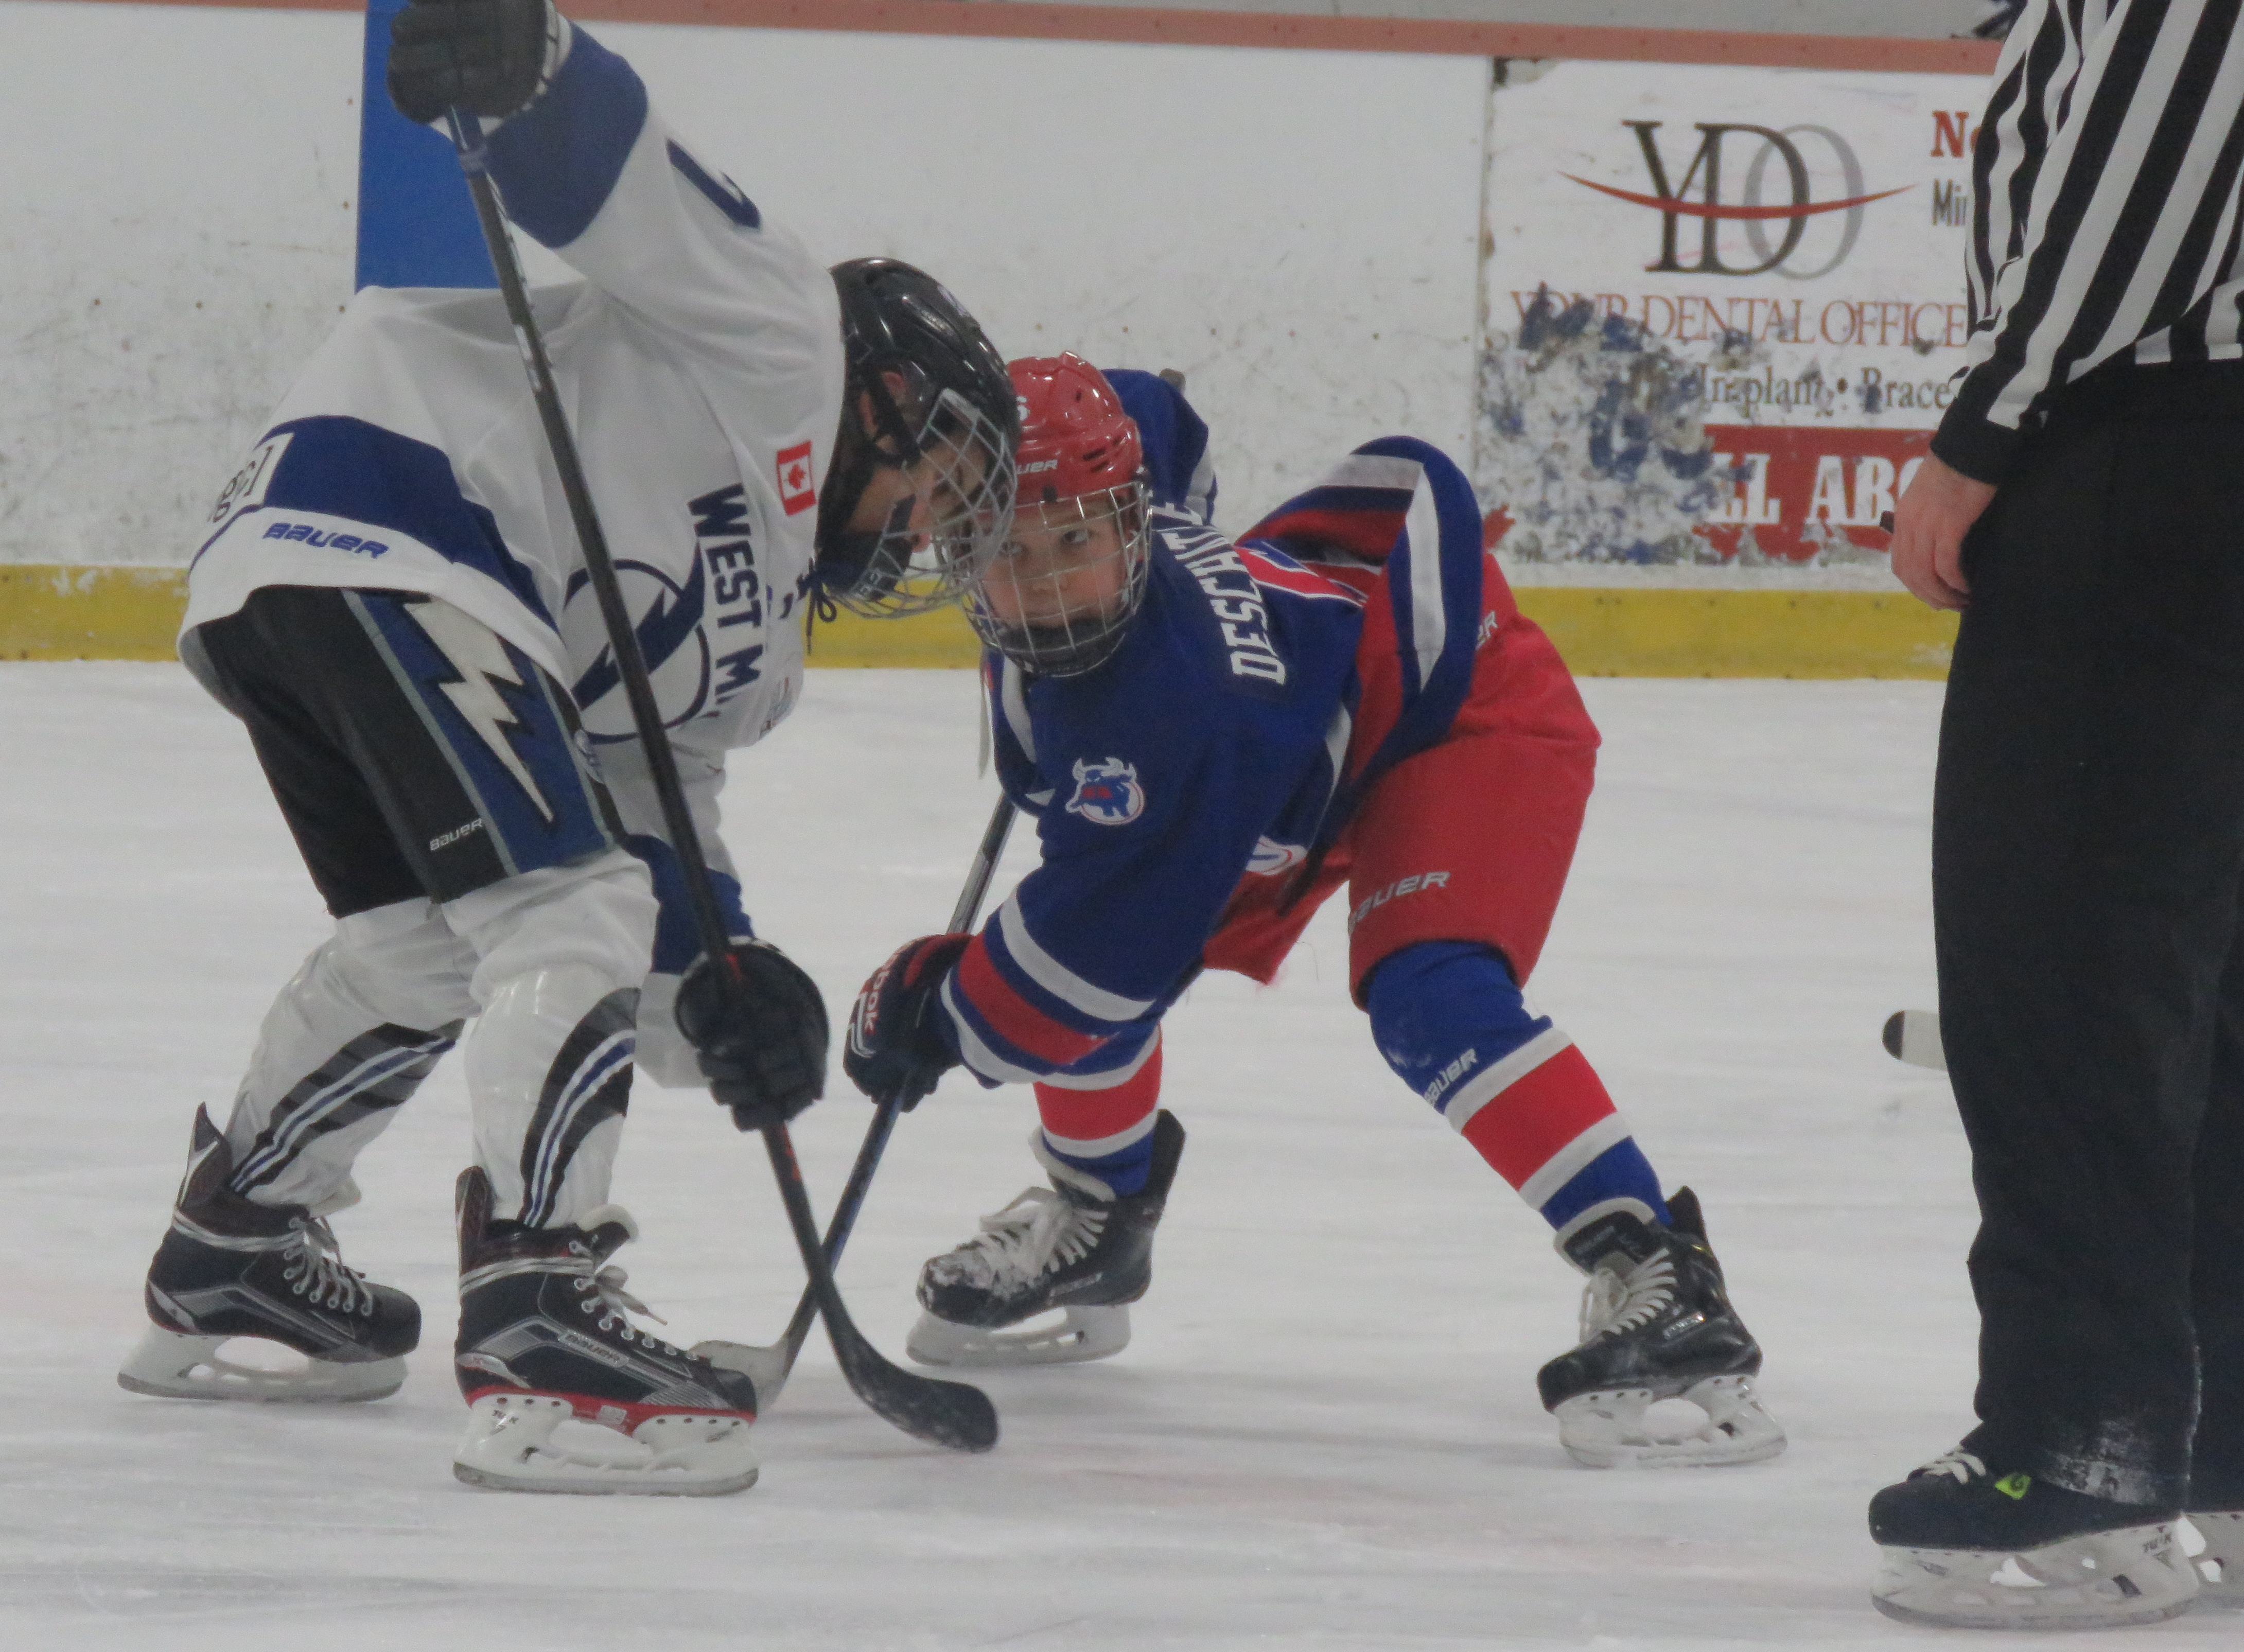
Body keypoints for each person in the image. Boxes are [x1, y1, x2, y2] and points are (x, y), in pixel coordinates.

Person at [115, 0, 1016, 1497]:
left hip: (313, 581)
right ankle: (539, 1310)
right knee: (560, 910)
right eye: (937, 477)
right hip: (395, 503)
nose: (930, 527)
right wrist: (527, 71)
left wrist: (725, 987)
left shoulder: (765, 661)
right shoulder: (786, 333)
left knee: (433, 939)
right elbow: (625, 180)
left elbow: (651, 826)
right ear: (888, 399)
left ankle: (238, 1243)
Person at [839, 355, 1784, 1468]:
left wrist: (928, 1007)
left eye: (1076, 545)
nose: (1048, 586)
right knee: (1095, 901)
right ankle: (1100, 1218)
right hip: (1287, 752)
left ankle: (1660, 1274)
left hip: (1459, 720)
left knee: (1428, 997)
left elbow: (1093, 966)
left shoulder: (1163, 712)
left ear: (1129, 527)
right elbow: (1148, 410)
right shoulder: (1118, 492)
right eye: (1009, 551)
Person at [1873, 0, 2244, 1625]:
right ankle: (2216, 1439)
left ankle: (2085, 1448)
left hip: (2152, 456)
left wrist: (1992, 419)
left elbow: (2161, 149)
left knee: (2068, 968)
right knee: (2204, 984)